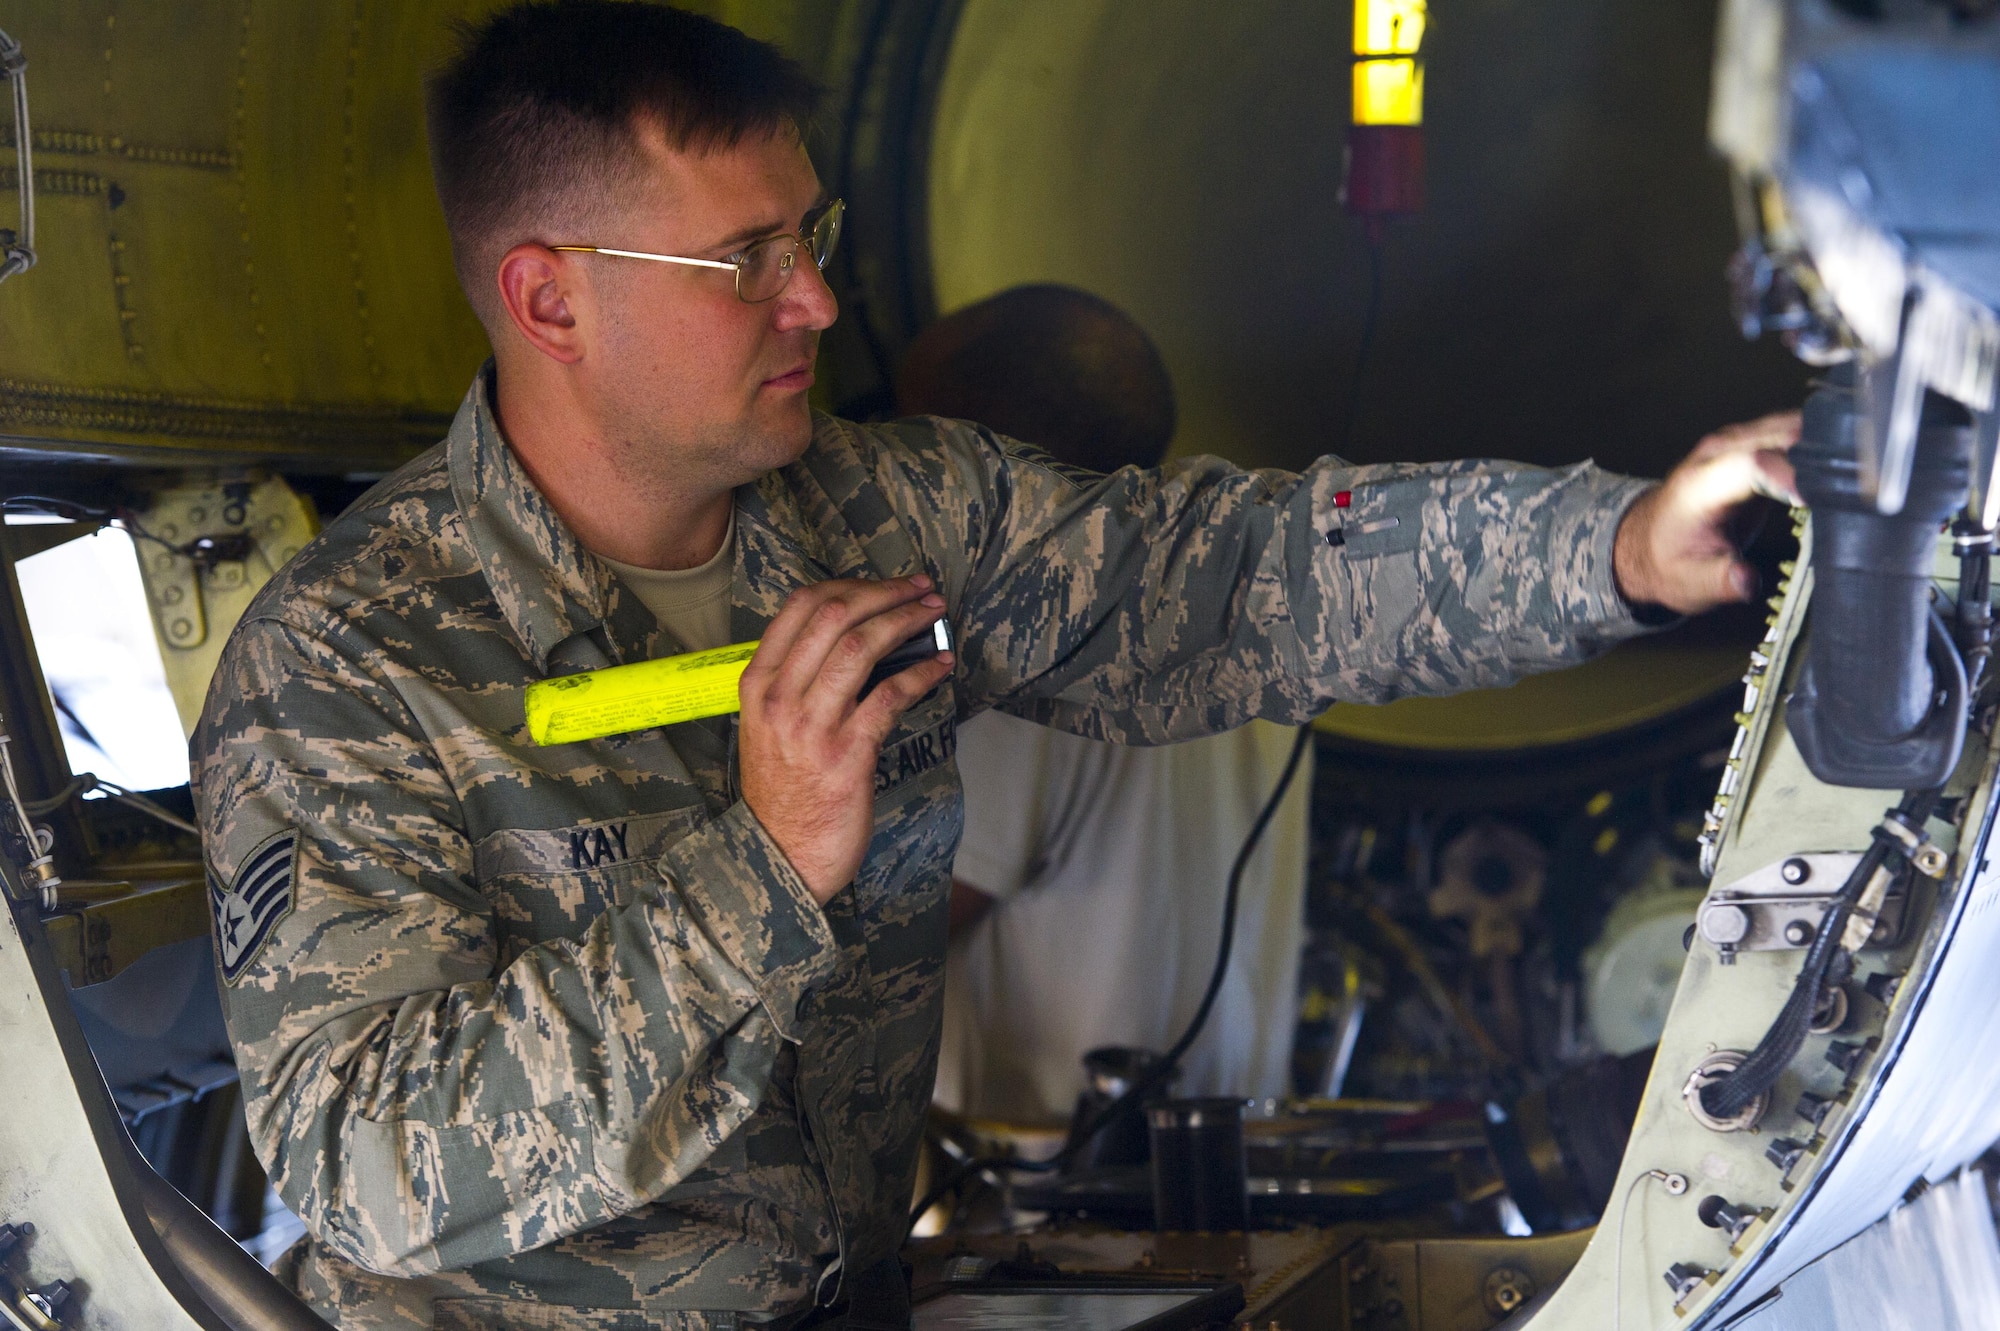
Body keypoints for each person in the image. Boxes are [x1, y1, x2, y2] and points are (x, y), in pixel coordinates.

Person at [191, 4, 1798, 1328]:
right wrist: (764, 872)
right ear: (549, 295)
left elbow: (1230, 580)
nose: (815, 297)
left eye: (807, 231)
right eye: (743, 258)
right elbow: (370, 1160)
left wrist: (1619, 549)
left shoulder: (882, 513)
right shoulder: (350, 662)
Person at [897, 285, 1311, 1123]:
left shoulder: (1019, 642)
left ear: (978, 462)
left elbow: (895, 936)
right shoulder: (1248, 599)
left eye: (904, 447)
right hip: (1225, 1166)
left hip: (1043, 1198)